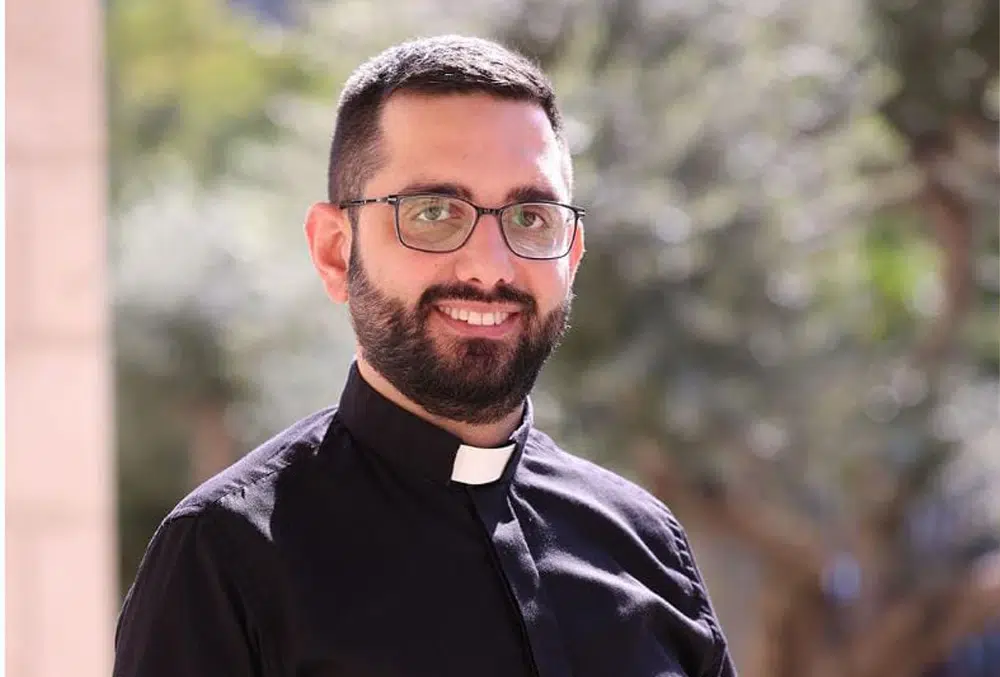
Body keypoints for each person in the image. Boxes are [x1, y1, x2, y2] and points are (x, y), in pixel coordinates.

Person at [113, 35, 738, 677]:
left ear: (571, 255)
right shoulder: (225, 560)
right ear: (335, 251)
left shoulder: (645, 546)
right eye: (434, 212)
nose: (489, 268)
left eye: (530, 217)